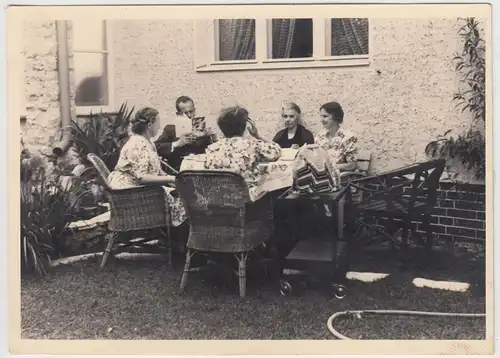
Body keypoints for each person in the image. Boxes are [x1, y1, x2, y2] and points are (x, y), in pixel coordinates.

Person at [107, 107, 188, 244]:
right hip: (131, 193)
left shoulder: (146, 141)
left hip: (140, 188)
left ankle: (179, 242)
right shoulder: (137, 144)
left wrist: (174, 177)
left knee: (184, 192)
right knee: (185, 199)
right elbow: (141, 177)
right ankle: (179, 244)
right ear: (150, 124)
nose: (159, 126)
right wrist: (170, 179)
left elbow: (155, 170)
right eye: (158, 123)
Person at [203, 106, 282, 201]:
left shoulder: (212, 149)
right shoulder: (252, 145)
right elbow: (276, 152)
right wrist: (257, 135)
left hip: (220, 201)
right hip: (246, 202)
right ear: (244, 126)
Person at [155, 96, 215, 171]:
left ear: (195, 110)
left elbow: (213, 151)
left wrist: (212, 137)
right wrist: (177, 143)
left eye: (191, 111)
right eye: (185, 113)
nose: (189, 115)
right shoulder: (170, 129)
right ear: (178, 114)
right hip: (179, 170)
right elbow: (156, 148)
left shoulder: (202, 128)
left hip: (200, 170)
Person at [314, 101, 358, 172]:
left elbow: (352, 165)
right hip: (321, 175)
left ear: (335, 117)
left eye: (325, 116)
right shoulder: (319, 137)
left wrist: (330, 167)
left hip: (340, 177)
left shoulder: (348, 137)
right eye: (321, 116)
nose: (321, 120)